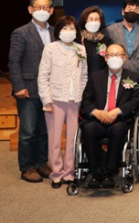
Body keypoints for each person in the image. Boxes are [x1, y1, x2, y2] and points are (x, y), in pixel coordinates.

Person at [81, 44, 139, 188]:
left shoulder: (134, 77)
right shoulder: (95, 77)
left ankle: (110, 171)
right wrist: (96, 112)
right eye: (111, 55)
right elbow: (86, 100)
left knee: (118, 130)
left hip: (119, 119)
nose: (115, 58)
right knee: (88, 130)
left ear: (125, 58)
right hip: (98, 119)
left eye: (118, 55)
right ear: (105, 58)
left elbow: (135, 102)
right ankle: (95, 171)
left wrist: (117, 111)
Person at [37, 15, 88, 188]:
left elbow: (84, 76)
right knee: (55, 138)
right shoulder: (51, 48)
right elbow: (43, 76)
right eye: (65, 28)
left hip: (74, 100)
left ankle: (69, 172)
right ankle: (56, 173)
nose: (68, 31)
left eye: (72, 28)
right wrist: (46, 100)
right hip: (55, 99)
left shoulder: (80, 49)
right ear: (58, 31)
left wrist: (80, 95)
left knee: (72, 138)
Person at [8, 0, 55, 183]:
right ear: (30, 9)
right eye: (38, 7)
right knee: (28, 131)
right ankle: (27, 167)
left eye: (46, 7)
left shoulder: (56, 33)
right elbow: (14, 62)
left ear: (51, 10)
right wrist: (18, 86)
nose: (42, 10)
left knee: (44, 130)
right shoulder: (21, 33)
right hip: (28, 89)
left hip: (50, 91)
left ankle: (41, 163)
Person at [103, 0, 139, 153]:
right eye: (129, 9)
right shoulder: (110, 30)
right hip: (117, 76)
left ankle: (135, 147)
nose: (132, 11)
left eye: (135, 9)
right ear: (123, 11)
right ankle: (116, 145)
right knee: (118, 110)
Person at [78, 6, 111, 75]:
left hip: (100, 78)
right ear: (84, 21)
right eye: (90, 19)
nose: (94, 22)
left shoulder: (106, 40)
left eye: (97, 19)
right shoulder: (78, 39)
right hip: (81, 77)